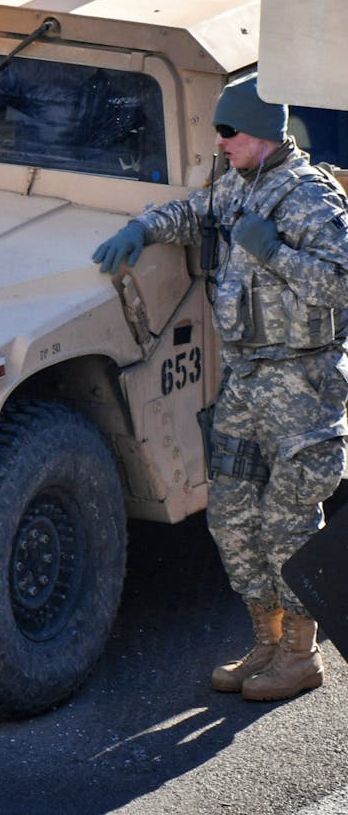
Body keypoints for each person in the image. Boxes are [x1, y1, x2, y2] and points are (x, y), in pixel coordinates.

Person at [92, 73, 348, 701]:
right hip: (244, 382)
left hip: (302, 388)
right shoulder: (237, 186)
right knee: (231, 517)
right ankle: (264, 638)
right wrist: (145, 228)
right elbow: (194, 210)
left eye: (229, 130)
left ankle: (299, 653)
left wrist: (275, 253)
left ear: (262, 135)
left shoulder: (311, 200)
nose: (219, 139)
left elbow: (339, 287)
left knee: (288, 524)